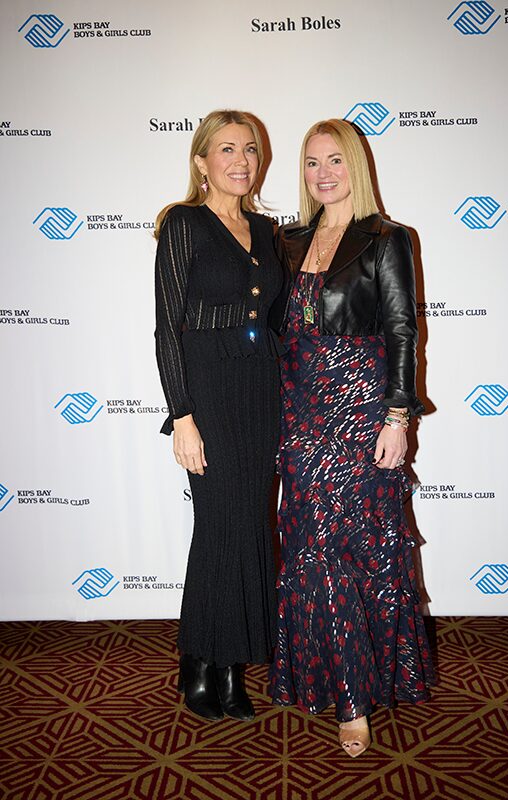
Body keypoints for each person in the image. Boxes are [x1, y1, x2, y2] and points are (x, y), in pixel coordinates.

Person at [268, 119, 434, 756]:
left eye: (335, 160)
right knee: (310, 549)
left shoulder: (385, 239)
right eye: (312, 163)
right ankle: (327, 676)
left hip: (360, 409)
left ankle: (355, 700)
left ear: (356, 167)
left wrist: (398, 416)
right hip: (298, 411)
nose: (323, 173)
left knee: (359, 549)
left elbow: (402, 330)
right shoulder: (287, 240)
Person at [154, 110, 283, 722]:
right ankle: (207, 661)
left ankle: (220, 662)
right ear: (201, 161)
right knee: (218, 527)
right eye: (226, 149)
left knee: (250, 525)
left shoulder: (267, 229)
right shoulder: (183, 223)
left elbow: (280, 318)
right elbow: (167, 327)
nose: (241, 160)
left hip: (262, 389)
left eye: (249, 149)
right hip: (208, 391)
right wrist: (181, 416)